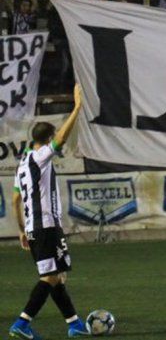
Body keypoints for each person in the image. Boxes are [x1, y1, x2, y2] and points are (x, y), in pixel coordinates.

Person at [8, 84, 89, 339]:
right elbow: (61, 139)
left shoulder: (21, 166)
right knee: (50, 276)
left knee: (57, 275)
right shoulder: (40, 156)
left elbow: (14, 200)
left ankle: (74, 324)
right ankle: (22, 322)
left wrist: (22, 230)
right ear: (47, 137)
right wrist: (76, 108)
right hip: (46, 226)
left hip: (34, 228)